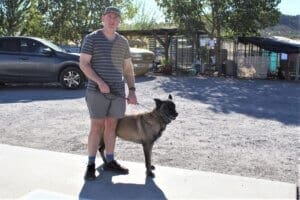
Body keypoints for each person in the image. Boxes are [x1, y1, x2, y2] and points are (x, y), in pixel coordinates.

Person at [80, 6, 137, 181]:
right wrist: (100, 82)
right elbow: (83, 64)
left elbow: (128, 69)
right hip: (96, 92)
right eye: (109, 16)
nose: (112, 20)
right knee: (97, 126)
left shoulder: (123, 42)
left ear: (119, 21)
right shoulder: (92, 38)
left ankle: (110, 161)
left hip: (117, 93)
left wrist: (132, 90)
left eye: (116, 17)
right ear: (103, 18)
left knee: (112, 126)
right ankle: (90, 165)